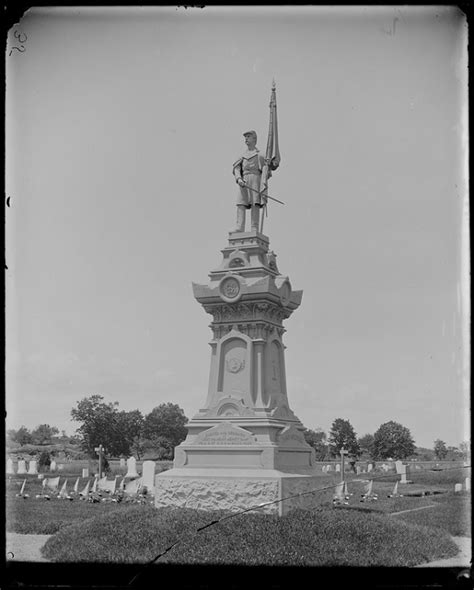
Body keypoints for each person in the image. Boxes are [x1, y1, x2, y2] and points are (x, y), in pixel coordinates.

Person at [231, 130, 276, 232]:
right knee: (241, 203)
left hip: (255, 179)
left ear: (254, 139)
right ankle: (239, 226)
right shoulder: (242, 155)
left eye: (248, 136)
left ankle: (254, 227)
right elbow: (236, 168)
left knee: (255, 203)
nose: (246, 139)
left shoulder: (260, 154)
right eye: (245, 137)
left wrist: (269, 164)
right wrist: (239, 179)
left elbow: (270, 165)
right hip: (244, 180)